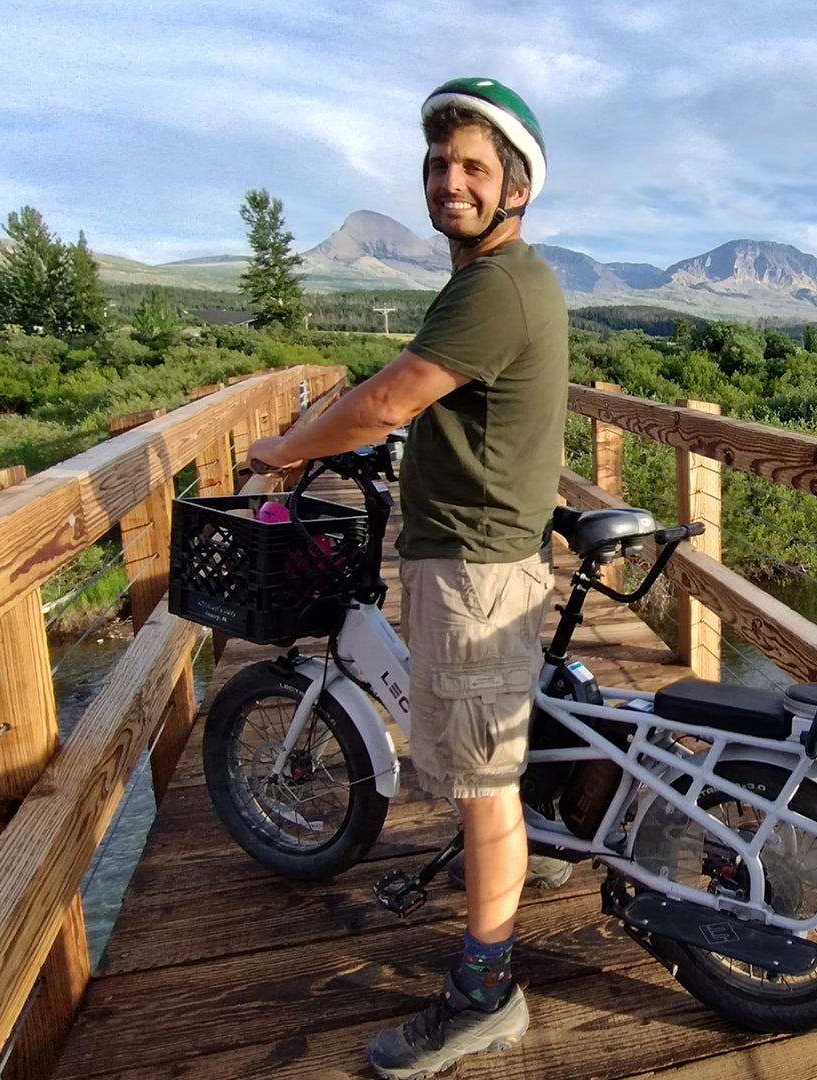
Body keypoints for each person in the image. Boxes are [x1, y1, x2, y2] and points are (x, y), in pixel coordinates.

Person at [248, 76, 569, 1080]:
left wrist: (289, 450)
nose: (450, 181)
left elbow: (394, 393)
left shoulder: (498, 285)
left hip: (476, 570)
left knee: (480, 789)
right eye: (439, 164)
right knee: (490, 770)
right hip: (477, 555)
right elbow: (414, 381)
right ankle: (521, 864)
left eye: (474, 166)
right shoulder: (493, 286)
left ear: (515, 187)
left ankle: (486, 994)